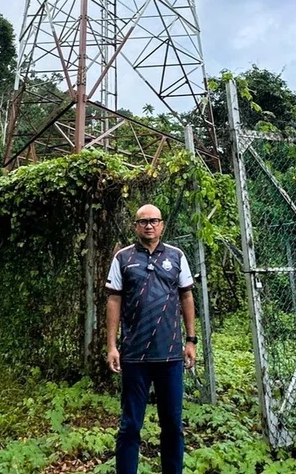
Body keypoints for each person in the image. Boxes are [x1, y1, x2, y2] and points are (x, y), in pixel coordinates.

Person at [104, 203, 197, 474]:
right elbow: (113, 300)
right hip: (134, 356)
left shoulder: (177, 256)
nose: (149, 225)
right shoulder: (123, 258)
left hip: (170, 355)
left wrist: (190, 340)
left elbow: (186, 295)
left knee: (172, 425)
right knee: (130, 425)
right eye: (143, 221)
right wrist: (112, 346)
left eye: (154, 221)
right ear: (135, 226)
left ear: (162, 225)